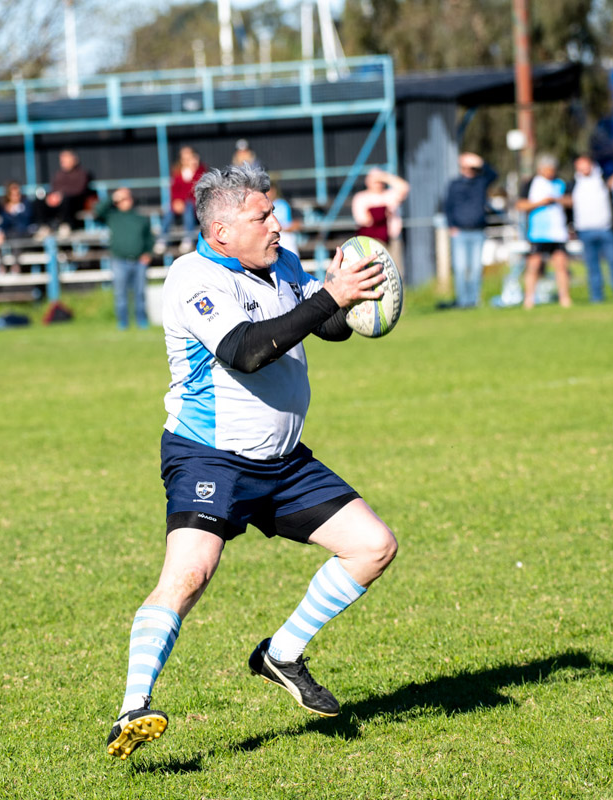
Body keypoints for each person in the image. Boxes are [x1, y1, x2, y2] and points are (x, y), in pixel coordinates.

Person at [106, 164, 398, 760]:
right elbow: (247, 350)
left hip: (283, 461)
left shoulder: (283, 263)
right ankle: (133, 707)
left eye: (274, 212)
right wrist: (329, 298)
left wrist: (349, 296)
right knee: (189, 575)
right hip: (209, 456)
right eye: (262, 216)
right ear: (220, 232)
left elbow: (327, 326)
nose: (276, 224)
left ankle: (281, 654)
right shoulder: (192, 277)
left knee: (373, 546)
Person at [516, 153, 572, 309]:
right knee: (534, 266)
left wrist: (556, 200)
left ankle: (565, 298)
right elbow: (520, 205)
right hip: (537, 233)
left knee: (561, 265)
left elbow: (571, 201)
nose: (550, 172)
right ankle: (529, 299)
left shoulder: (561, 183)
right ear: (540, 169)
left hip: (558, 233)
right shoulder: (531, 183)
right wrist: (540, 203)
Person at [95, 187, 155, 330]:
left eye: (127, 198)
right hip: (119, 260)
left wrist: (148, 253)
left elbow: (149, 238)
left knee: (140, 293)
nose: (125, 201)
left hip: (139, 261)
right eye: (121, 199)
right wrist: (113, 197)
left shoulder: (140, 218)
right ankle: (123, 322)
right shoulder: (113, 217)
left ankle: (142, 320)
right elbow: (98, 211)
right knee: (120, 294)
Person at [443, 152, 497, 309]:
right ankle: (463, 301)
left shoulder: (481, 182)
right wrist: (451, 226)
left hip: (478, 231)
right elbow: (447, 206)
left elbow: (494, 175)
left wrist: (480, 161)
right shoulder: (454, 184)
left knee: (475, 269)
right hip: (460, 232)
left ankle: (474, 300)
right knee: (460, 268)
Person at [570, 155, 613, 303]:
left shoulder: (602, 179)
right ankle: (596, 298)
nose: (583, 168)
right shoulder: (573, 183)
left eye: (585, 165)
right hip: (585, 231)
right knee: (592, 267)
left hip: (605, 229)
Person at [158, 146, 208, 253]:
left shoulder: (200, 170)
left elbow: (194, 190)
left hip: (194, 204)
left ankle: (188, 238)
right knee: (169, 211)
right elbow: (174, 189)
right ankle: (162, 239)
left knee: (188, 208)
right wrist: (177, 201)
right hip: (179, 203)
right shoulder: (177, 171)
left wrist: (195, 168)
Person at [37, 150, 93, 234]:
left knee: (66, 199)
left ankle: (66, 225)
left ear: (74, 160)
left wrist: (61, 194)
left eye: (65, 159)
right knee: (40, 201)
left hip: (75, 201)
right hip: (59, 200)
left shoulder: (82, 173)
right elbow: (54, 188)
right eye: (61, 160)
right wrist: (52, 197)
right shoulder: (59, 174)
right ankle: (44, 226)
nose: (62, 162)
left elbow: (79, 190)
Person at [0, 181, 35, 246]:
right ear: (9, 196)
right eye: (13, 195)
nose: (17, 197)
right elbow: (3, 224)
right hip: (9, 236)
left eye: (18, 194)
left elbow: (24, 224)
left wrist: (15, 212)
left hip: (22, 235)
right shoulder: (4, 209)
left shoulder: (26, 205)